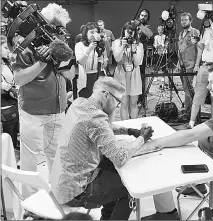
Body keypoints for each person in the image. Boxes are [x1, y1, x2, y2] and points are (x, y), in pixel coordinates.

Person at [142, 62, 213, 220]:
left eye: (212, 82)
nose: (208, 87)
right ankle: (196, 187)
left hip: (210, 163)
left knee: (158, 157)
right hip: (207, 152)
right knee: (170, 140)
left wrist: (155, 143)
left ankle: (168, 215)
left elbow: (191, 135)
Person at [51, 77, 155, 220]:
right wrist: (141, 139)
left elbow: (103, 127)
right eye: (117, 101)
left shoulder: (78, 103)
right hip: (76, 193)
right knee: (131, 187)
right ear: (106, 94)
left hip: (61, 184)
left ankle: (106, 217)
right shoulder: (96, 118)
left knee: (111, 168)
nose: (117, 106)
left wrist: (130, 131)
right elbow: (120, 157)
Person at [11, 3, 75, 197]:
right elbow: (19, 79)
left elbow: (71, 75)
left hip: (57, 109)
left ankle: (58, 192)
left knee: (57, 155)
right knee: (30, 158)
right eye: (55, 27)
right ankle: (29, 202)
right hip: (32, 110)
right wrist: (42, 62)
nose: (59, 33)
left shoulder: (62, 43)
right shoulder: (24, 45)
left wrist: (61, 57)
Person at [112, 22, 144, 120]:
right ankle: (125, 129)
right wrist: (122, 47)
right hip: (122, 74)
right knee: (124, 103)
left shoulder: (139, 45)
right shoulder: (117, 42)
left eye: (132, 32)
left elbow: (137, 62)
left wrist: (134, 50)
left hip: (134, 75)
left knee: (133, 104)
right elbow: (117, 59)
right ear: (124, 31)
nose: (130, 34)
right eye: (128, 31)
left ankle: (134, 128)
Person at [75, 22, 108, 98]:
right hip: (86, 76)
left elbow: (105, 63)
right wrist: (89, 49)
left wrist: (102, 57)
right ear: (86, 33)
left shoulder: (100, 45)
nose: (94, 34)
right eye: (92, 32)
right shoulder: (80, 45)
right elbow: (81, 62)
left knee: (99, 100)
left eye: (96, 32)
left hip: (99, 75)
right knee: (86, 100)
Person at [177, 12, 200, 121]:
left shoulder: (195, 32)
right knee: (186, 89)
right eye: (182, 20)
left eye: (186, 20)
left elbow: (199, 50)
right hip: (182, 65)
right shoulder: (181, 33)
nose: (183, 22)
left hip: (190, 66)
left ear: (190, 21)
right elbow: (180, 50)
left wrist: (197, 65)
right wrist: (178, 63)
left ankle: (189, 114)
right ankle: (188, 110)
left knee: (189, 90)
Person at [1, 35, 19, 149]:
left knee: (13, 128)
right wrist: (7, 87)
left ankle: (12, 149)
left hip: (12, 100)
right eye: (5, 48)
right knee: (7, 133)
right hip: (3, 102)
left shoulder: (6, 62)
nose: (8, 51)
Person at [134, 9, 153, 107]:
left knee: (141, 78)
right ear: (138, 15)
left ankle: (142, 100)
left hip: (142, 56)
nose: (143, 17)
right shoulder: (134, 25)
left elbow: (149, 34)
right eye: (142, 15)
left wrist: (139, 25)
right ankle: (133, 98)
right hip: (132, 55)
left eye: (145, 16)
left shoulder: (146, 27)